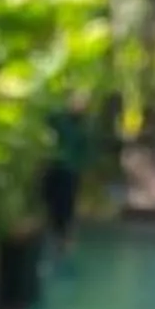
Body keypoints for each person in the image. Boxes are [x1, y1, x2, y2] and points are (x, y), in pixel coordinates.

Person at [42, 96, 92, 244]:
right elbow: (49, 119)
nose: (77, 107)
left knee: (67, 202)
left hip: (70, 169)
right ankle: (54, 230)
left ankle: (64, 235)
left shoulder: (84, 127)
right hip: (56, 165)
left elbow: (86, 149)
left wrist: (82, 166)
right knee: (51, 197)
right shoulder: (61, 120)